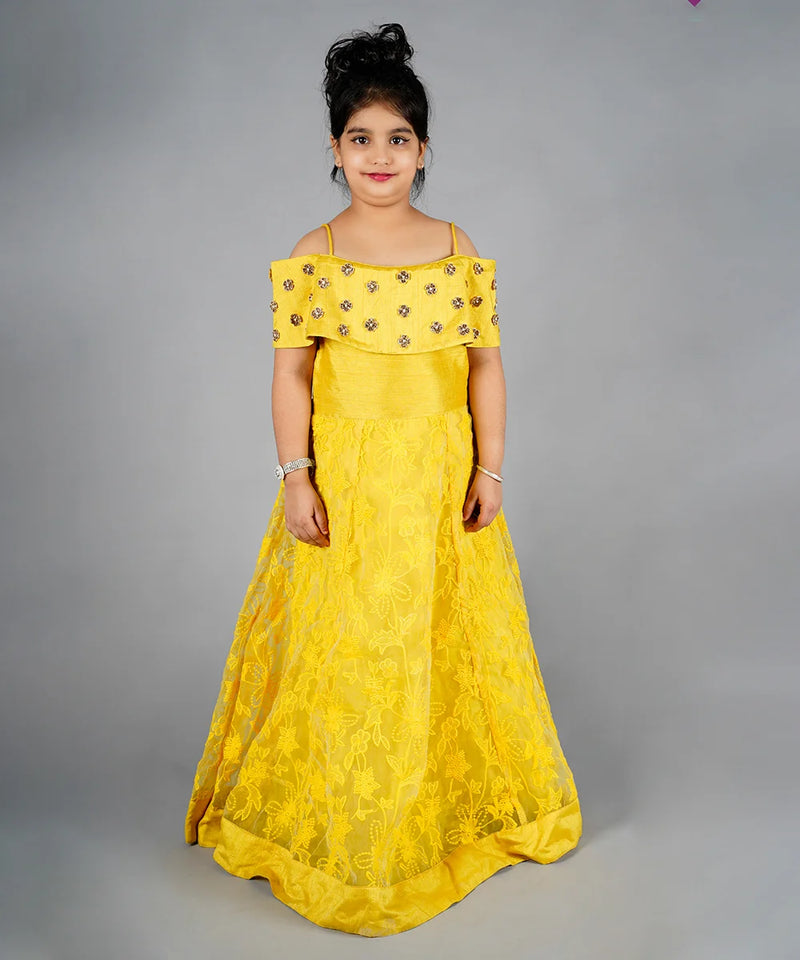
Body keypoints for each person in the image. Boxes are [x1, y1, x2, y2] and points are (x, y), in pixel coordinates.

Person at [184, 21, 582, 938]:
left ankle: (437, 809)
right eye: (360, 138)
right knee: (354, 645)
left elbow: (485, 364)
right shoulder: (315, 252)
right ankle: (354, 817)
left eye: (397, 138)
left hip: (439, 483)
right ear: (334, 148)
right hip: (352, 488)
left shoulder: (452, 244)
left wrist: (490, 465)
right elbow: (290, 374)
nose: (379, 155)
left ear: (424, 149)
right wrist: (296, 477)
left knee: (444, 639)